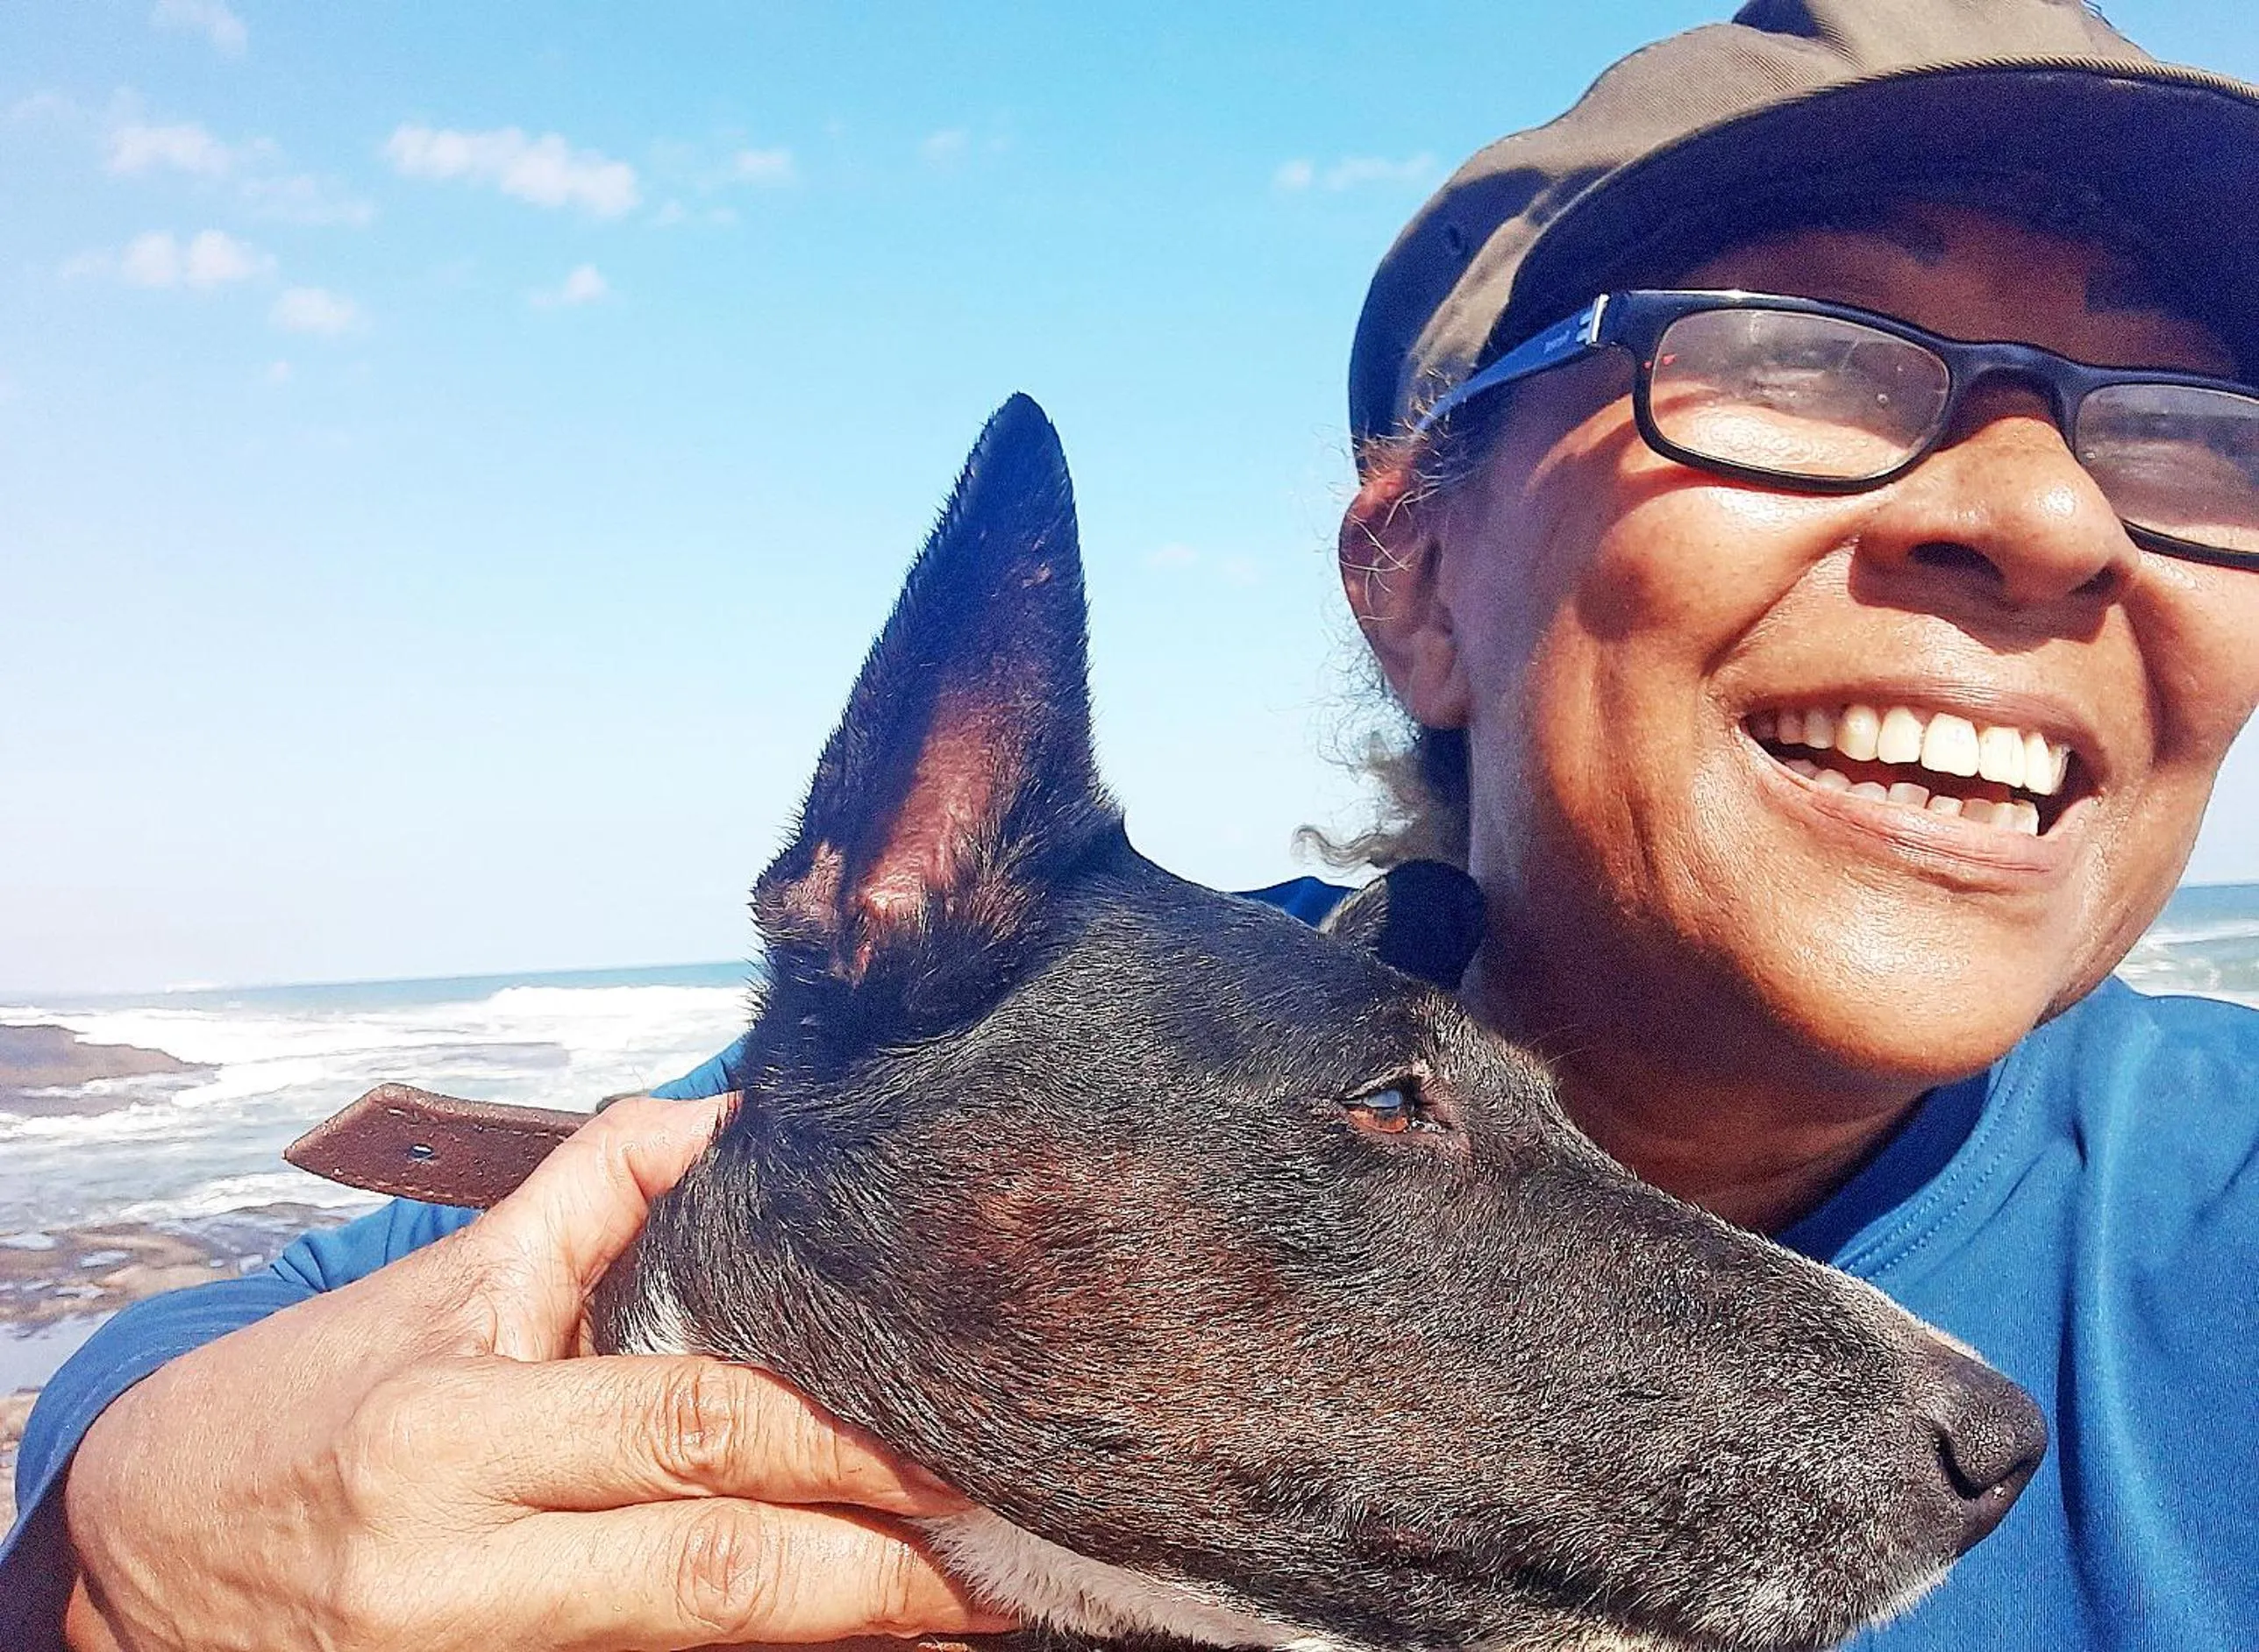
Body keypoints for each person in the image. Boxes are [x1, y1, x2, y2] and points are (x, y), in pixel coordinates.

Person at [8, 0, 2258, 1646]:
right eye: (1795, 357)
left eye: (2191, 429)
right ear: (1408, 573)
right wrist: (133, 1515)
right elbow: (227, 1385)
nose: (2051, 516)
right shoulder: (1075, 1056)